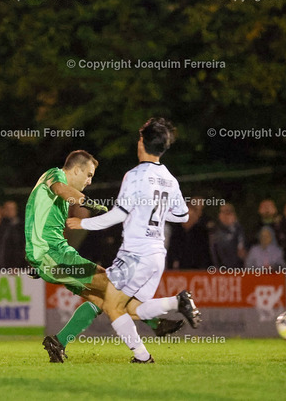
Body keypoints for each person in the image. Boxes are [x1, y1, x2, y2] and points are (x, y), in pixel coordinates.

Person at [44, 120, 200, 363]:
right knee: (128, 307)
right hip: (157, 255)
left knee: (110, 303)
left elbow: (118, 214)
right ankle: (163, 317)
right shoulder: (170, 178)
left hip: (135, 254)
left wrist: (84, 223)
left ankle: (146, 348)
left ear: (142, 143)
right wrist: (154, 212)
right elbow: (183, 216)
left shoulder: (135, 175)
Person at [167, 200, 214, 269]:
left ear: (196, 218)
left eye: (191, 218)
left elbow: (205, 253)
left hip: (199, 268)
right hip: (179, 268)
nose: (188, 221)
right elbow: (172, 251)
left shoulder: (202, 232)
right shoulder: (176, 232)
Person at [211, 204, 247, 268]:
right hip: (220, 269)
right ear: (219, 215)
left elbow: (243, 253)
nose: (226, 216)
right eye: (223, 212)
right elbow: (214, 253)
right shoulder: (214, 231)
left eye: (229, 213)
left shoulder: (240, 230)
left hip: (238, 269)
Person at [0, 201, 26, 269]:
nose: (9, 211)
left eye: (12, 209)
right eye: (7, 209)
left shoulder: (22, 227)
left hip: (18, 266)